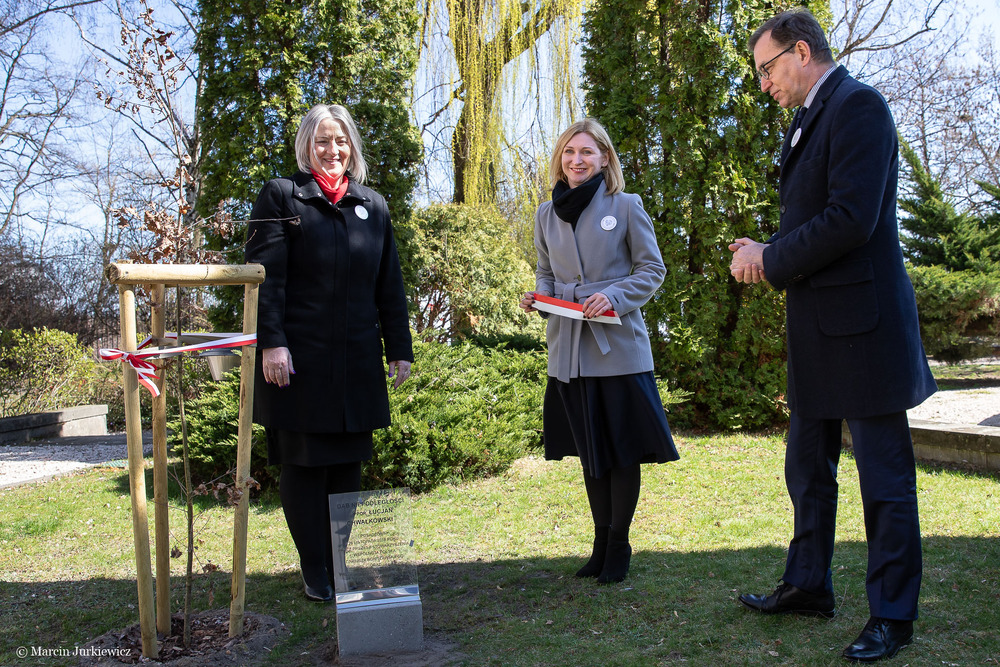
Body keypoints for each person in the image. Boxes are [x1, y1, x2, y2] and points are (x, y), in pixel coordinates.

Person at [729, 9, 937, 662]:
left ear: (799, 51)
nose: (764, 84)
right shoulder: (803, 121)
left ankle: (893, 616)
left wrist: (769, 257)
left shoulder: (859, 107)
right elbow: (814, 215)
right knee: (807, 469)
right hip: (818, 332)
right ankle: (808, 583)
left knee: (884, 480)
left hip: (866, 331)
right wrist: (770, 246)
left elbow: (851, 218)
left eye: (766, 69)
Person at [245, 103, 413, 603]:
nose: (332, 150)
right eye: (322, 141)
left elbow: (391, 285)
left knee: (346, 466)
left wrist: (399, 348)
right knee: (305, 464)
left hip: (357, 360)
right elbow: (264, 281)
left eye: (340, 141)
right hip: (298, 359)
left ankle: (341, 564)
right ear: (306, 146)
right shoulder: (281, 195)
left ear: (352, 147)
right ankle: (314, 567)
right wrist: (271, 343)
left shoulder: (373, 205)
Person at [519, 118, 679, 584]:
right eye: (570, 152)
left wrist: (614, 296)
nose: (577, 160)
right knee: (590, 452)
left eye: (587, 152)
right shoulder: (545, 214)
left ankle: (619, 546)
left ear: (605, 158)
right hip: (568, 350)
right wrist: (539, 298)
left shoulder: (626, 205)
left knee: (621, 451)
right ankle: (598, 544)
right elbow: (546, 273)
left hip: (618, 350)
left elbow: (652, 270)